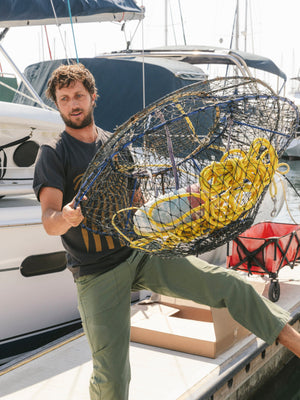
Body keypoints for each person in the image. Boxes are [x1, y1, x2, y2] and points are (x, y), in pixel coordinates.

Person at [33, 63, 300, 400]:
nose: (73, 103)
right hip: (96, 272)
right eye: (64, 98)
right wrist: (67, 217)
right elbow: (49, 219)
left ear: (92, 97)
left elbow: (139, 202)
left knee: (232, 286)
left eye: (79, 95)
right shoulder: (53, 152)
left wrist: (188, 204)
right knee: (112, 376)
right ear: (57, 104)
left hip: (140, 253)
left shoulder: (114, 145)